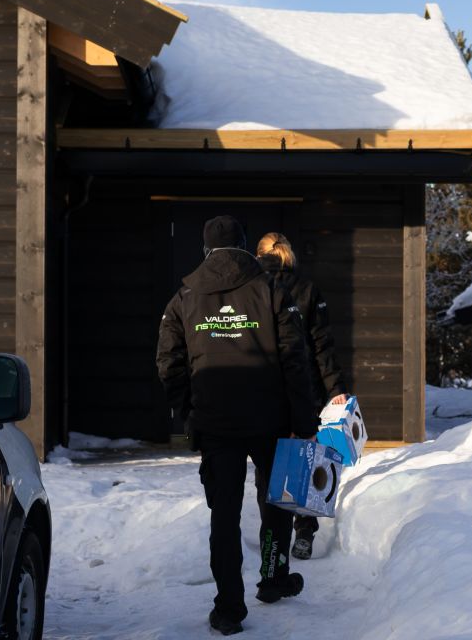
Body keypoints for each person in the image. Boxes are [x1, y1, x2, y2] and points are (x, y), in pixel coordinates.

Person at [157, 215, 320, 636]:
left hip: (216, 425)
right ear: (246, 246)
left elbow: (168, 362)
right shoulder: (271, 291)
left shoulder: (185, 296)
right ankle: (272, 577)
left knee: (224, 517)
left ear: (206, 250)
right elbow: (295, 360)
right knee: (275, 506)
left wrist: (189, 411)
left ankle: (229, 608)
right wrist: (303, 421)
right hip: (271, 421)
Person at [256, 231, 353, 561]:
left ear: (260, 255)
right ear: (289, 255)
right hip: (305, 388)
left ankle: (274, 533)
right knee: (306, 458)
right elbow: (323, 345)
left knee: (269, 464)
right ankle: (305, 530)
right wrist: (335, 389)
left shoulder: (250, 291)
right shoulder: (307, 289)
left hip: (266, 390)